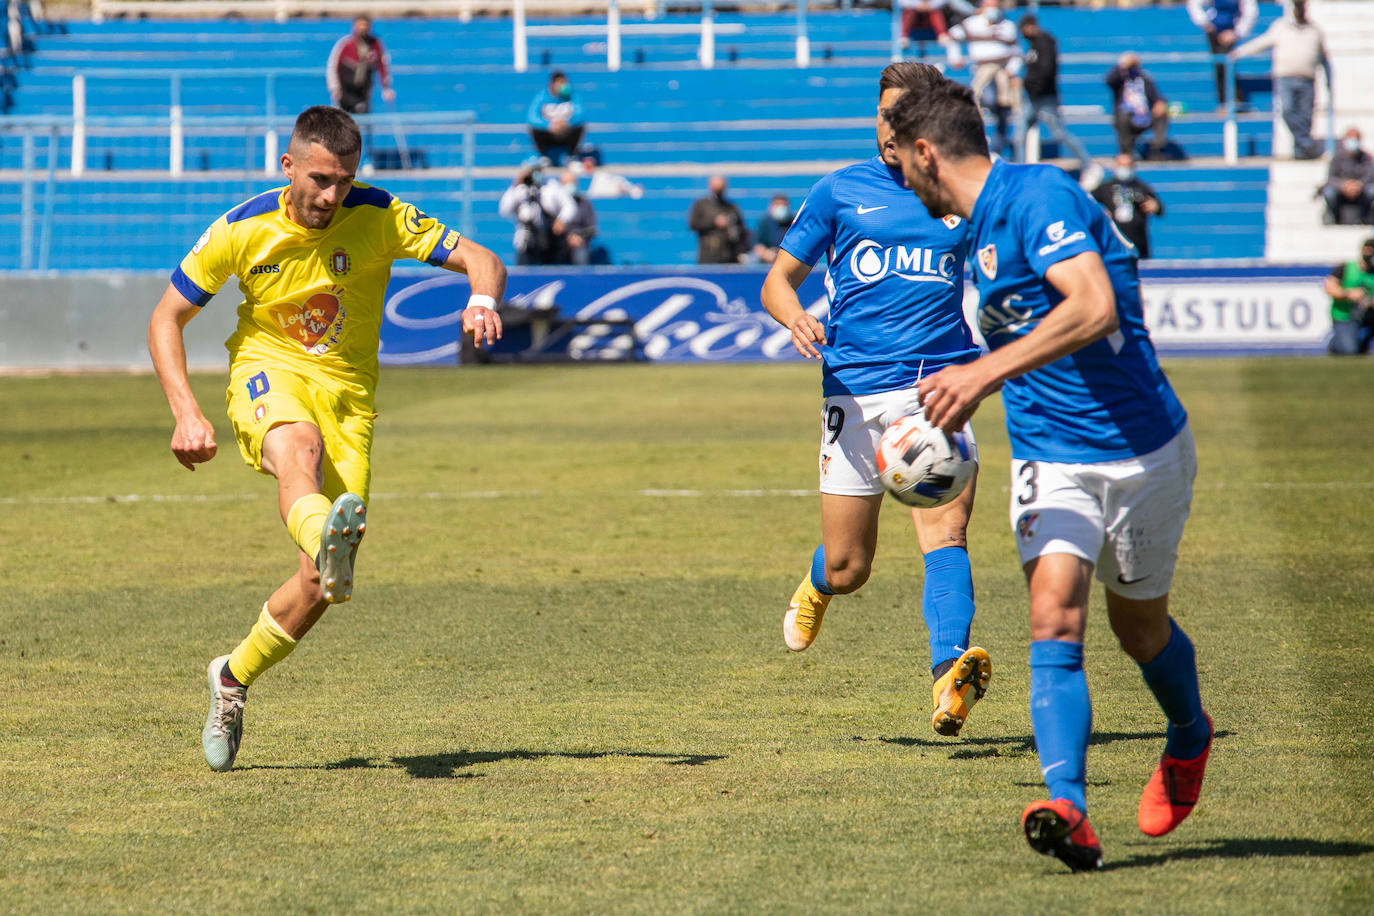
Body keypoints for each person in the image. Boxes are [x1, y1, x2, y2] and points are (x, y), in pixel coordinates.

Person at [886, 75, 1212, 871]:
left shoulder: (1040, 196)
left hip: (1142, 448)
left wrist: (984, 372)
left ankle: (1189, 733)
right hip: (1049, 456)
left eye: (900, 160)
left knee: (1138, 630)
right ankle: (1068, 805)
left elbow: (1093, 305)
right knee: (1053, 616)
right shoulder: (969, 231)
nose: (897, 176)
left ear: (927, 152)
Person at [147, 106, 507, 773]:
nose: (330, 195)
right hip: (268, 372)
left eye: (343, 180)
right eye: (318, 179)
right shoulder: (239, 229)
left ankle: (231, 677)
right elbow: (167, 317)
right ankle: (322, 533)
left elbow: (482, 258)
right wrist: (185, 412)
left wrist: (482, 299)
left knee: (319, 585)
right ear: (288, 166)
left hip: (352, 400)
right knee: (298, 451)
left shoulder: (380, 214)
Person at [760, 62, 992, 739]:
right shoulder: (839, 191)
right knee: (849, 565)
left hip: (938, 389)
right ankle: (817, 585)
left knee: (946, 530)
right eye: (883, 114)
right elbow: (777, 282)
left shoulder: (966, 191)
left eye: (903, 116)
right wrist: (795, 316)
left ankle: (949, 678)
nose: (889, 128)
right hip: (854, 396)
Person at [1231, 0, 1330, 160]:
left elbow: (1324, 57)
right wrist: (1239, 52)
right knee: (1288, 110)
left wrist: (1328, 80)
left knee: (1305, 116)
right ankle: (1306, 144)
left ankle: (1301, 150)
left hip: (1307, 78)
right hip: (1285, 77)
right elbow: (1262, 42)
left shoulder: (1315, 30)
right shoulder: (1281, 27)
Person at [1019, 14, 1099, 186]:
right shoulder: (1032, 45)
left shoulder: (1045, 43)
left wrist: (1031, 84)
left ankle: (1088, 163)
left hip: (1045, 97)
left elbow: (1046, 71)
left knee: (1060, 133)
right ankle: (1020, 170)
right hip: (1032, 97)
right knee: (1020, 134)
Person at [940, 0, 1022, 159]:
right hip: (982, 71)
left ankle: (997, 149)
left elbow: (1016, 52)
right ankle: (978, 144)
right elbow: (951, 37)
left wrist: (1012, 71)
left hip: (1003, 73)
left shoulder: (1008, 26)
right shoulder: (972, 24)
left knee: (1005, 109)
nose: (993, 10)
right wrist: (955, 57)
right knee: (985, 101)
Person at [498, 157, 575, 266]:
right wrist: (516, 184)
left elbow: (570, 205)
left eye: (538, 170)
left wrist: (562, 220)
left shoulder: (551, 186)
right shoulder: (519, 190)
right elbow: (504, 210)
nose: (535, 173)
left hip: (550, 237)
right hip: (526, 238)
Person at [1091, 152, 1164, 259]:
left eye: (1127, 165)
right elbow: (1088, 201)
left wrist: (1155, 206)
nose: (1124, 169)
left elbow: (1160, 209)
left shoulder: (1142, 187)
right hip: (1115, 239)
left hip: (1138, 240)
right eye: (1121, 165)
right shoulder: (1105, 187)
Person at [1186, 0, 1257, 108]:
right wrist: (1206, 23)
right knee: (1218, 65)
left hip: (1231, 29)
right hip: (1214, 32)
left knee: (1227, 64)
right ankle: (1224, 102)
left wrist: (1236, 33)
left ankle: (1236, 100)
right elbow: (1193, 4)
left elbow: (1250, 12)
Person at [1105, 53, 1171, 160]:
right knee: (1123, 116)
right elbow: (1109, 81)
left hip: (1145, 115)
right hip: (1126, 117)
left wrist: (1160, 103)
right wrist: (1122, 66)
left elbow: (1156, 96)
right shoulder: (1120, 79)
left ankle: (1156, 150)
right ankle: (1126, 153)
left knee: (1162, 113)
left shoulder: (1144, 79)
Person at [326, 15, 394, 115]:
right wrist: (335, 88)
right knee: (342, 118)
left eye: (365, 25)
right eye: (360, 25)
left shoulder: (375, 44)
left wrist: (386, 88)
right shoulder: (345, 44)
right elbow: (333, 66)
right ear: (354, 27)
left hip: (364, 89)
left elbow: (382, 65)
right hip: (345, 90)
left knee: (362, 113)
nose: (363, 28)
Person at [1324, 237, 1374, 355]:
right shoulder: (1346, 268)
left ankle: (1363, 344)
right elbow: (1329, 287)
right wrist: (1349, 294)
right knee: (1349, 351)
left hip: (1368, 314)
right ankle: (1336, 344)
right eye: (1368, 250)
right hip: (1345, 315)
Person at [527, 71, 586, 166]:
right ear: (552, 84)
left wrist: (567, 123)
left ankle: (571, 157)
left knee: (581, 126)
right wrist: (548, 125)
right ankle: (543, 157)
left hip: (566, 132)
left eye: (565, 82)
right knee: (532, 128)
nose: (564, 85)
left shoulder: (572, 96)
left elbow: (580, 114)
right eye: (560, 82)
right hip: (548, 134)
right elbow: (532, 117)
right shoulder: (541, 97)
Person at [688, 175, 748, 264]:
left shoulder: (731, 207)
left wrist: (740, 251)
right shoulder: (701, 205)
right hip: (708, 256)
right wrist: (714, 222)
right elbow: (693, 224)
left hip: (729, 256)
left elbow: (742, 230)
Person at [1320, 128, 1374, 225]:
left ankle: (1363, 217)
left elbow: (1369, 176)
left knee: (1371, 191)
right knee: (1329, 193)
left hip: (1360, 191)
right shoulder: (1337, 157)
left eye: (1355, 140)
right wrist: (1343, 186)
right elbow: (1331, 178)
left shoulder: (1365, 157)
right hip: (1341, 191)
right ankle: (1335, 217)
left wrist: (1358, 185)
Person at [554, 168, 598, 265]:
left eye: (572, 182)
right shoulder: (554, 204)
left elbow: (592, 229)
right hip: (558, 243)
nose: (570, 186)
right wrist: (567, 237)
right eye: (566, 183)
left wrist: (578, 236)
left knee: (580, 252)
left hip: (579, 242)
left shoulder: (584, 203)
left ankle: (582, 279)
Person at [752, 194, 794, 264]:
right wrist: (766, 254)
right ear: (771, 206)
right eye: (777, 205)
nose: (781, 208)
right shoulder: (765, 221)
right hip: (767, 259)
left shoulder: (793, 222)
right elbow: (757, 245)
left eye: (783, 205)